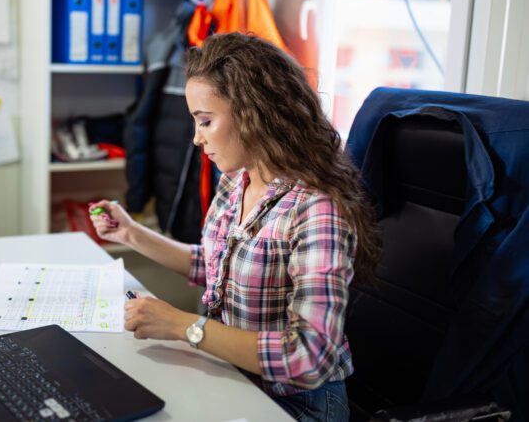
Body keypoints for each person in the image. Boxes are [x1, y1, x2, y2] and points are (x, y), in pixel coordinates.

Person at [90, 32, 380, 421]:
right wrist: (130, 233)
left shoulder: (316, 210)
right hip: (231, 377)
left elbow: (309, 356)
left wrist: (181, 325)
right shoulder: (237, 180)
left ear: (252, 112)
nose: (196, 138)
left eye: (205, 121)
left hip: (296, 405)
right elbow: (215, 266)